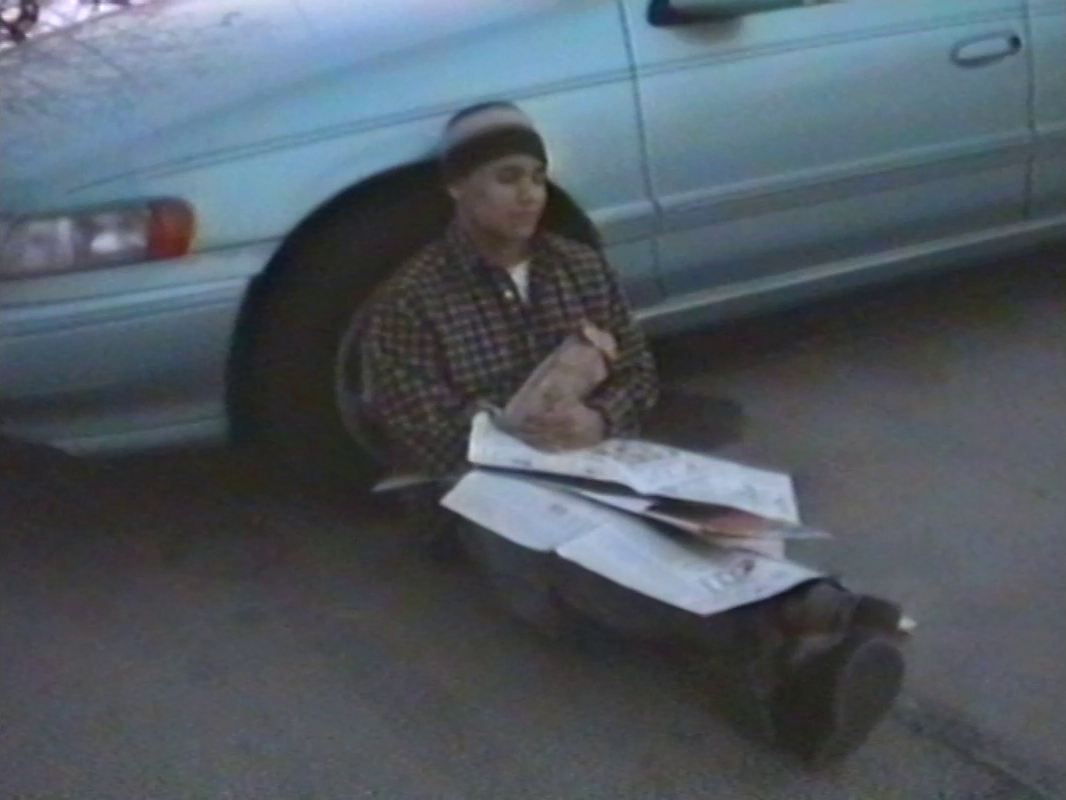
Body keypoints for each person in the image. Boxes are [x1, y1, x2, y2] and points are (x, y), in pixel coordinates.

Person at [358, 101, 908, 765]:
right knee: (576, 559)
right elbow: (419, 431)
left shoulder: (578, 266)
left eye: (536, 176)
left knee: (690, 515)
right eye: (507, 177)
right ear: (457, 186)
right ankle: (798, 630)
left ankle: (801, 623)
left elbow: (639, 371)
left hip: (596, 452)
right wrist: (511, 434)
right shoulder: (410, 301)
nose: (529, 193)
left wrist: (599, 418)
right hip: (486, 484)